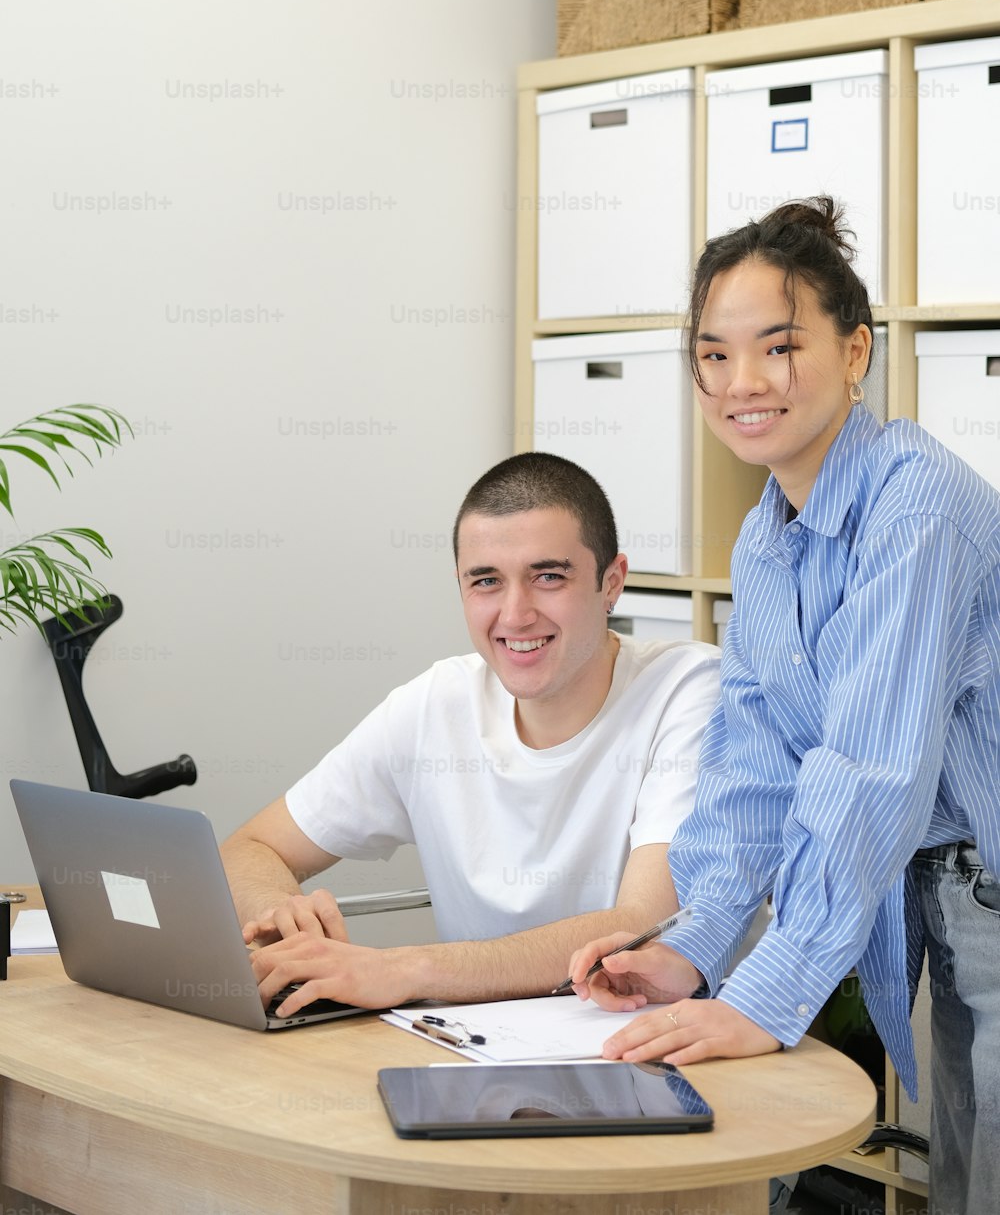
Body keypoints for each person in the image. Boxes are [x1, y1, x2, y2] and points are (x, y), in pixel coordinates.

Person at [568, 197, 1000, 1215]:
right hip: (935, 896)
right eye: (712, 356)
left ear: (855, 353)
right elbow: (753, 766)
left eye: (777, 346)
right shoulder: (766, 539)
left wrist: (762, 994)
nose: (741, 383)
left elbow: (869, 770)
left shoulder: (916, 507)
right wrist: (687, 945)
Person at [221, 450, 720, 1018]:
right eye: (486, 582)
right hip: (474, 1051)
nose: (515, 615)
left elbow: (641, 928)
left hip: (650, 1049)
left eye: (548, 577)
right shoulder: (436, 703)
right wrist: (279, 911)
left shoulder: (688, 689)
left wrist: (405, 970)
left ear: (612, 582)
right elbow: (250, 847)